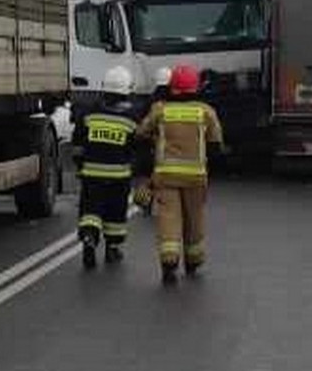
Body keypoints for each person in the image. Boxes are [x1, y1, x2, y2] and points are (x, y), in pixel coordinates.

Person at [136, 64, 224, 284]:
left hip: (166, 176)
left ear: (172, 87)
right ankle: (193, 259)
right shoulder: (205, 111)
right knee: (195, 218)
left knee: (169, 217)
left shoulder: (160, 110)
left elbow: (140, 133)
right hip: (196, 176)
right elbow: (215, 145)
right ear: (196, 87)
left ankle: (169, 261)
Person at [72, 66, 140, 268]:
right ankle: (112, 249)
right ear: (127, 90)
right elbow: (135, 149)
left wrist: (80, 166)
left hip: (92, 173)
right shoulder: (131, 120)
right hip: (119, 177)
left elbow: (77, 145)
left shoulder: (88, 115)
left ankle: (89, 238)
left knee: (91, 209)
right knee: (115, 212)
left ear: (104, 88)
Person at [131, 67, 173, 216]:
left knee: (148, 175)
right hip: (170, 147)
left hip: (149, 146)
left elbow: (141, 126)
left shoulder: (149, 102)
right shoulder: (176, 102)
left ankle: (144, 201)